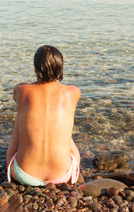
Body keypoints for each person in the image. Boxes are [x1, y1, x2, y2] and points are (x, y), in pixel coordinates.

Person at [5, 45, 81, 186]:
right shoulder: (73, 92)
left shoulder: (20, 90)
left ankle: (10, 166)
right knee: (61, 125)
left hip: (25, 173)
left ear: (35, 69)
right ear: (60, 67)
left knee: (21, 116)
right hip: (62, 175)